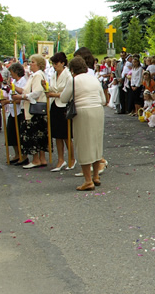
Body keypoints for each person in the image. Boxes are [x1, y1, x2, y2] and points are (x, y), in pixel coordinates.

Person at [60, 56, 106, 190]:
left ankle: (88, 180)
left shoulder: (73, 80)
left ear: (72, 69)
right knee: (96, 143)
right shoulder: (94, 79)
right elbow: (103, 99)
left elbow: (63, 98)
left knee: (84, 144)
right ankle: (96, 176)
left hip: (83, 112)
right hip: (98, 110)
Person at [13, 53, 49, 169]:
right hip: (36, 108)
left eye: (32, 62)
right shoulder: (35, 75)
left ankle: (36, 159)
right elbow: (26, 90)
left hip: (33, 109)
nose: (30, 64)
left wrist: (22, 97)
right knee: (40, 134)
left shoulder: (37, 75)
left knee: (33, 134)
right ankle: (42, 158)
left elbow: (36, 92)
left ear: (39, 64)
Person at [46, 52, 73, 171]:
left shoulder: (68, 75)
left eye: (56, 63)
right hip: (55, 105)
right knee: (57, 135)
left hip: (64, 105)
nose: (54, 66)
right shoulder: (53, 74)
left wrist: (54, 94)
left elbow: (68, 92)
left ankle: (72, 158)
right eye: (53, 63)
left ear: (62, 63)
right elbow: (52, 88)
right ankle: (61, 159)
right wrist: (46, 87)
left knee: (66, 135)